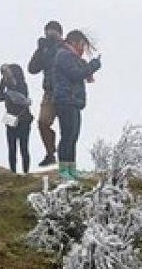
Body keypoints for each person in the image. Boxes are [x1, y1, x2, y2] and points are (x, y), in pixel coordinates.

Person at [51, 30, 101, 181]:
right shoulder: (64, 55)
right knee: (67, 136)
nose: (82, 49)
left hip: (73, 101)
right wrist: (92, 66)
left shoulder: (69, 56)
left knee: (73, 136)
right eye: (81, 45)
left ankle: (71, 168)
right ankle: (64, 169)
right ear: (73, 42)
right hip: (66, 100)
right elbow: (75, 74)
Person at [27, 20, 65, 167]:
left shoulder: (64, 47)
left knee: (66, 129)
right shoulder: (44, 50)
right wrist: (40, 50)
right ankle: (50, 153)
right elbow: (32, 68)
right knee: (43, 122)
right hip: (49, 93)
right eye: (48, 31)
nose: (50, 34)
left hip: (64, 92)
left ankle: (66, 167)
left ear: (60, 33)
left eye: (53, 31)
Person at [0, 64, 33, 174]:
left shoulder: (21, 86)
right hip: (11, 119)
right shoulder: (8, 88)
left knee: (23, 148)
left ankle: (25, 172)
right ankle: (14, 172)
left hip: (22, 119)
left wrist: (8, 80)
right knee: (13, 149)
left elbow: (18, 96)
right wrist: (3, 81)